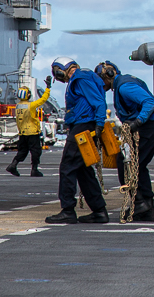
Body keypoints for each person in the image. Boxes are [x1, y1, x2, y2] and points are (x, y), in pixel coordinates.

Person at [96, 61, 154, 223]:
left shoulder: (124, 87)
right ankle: (147, 208)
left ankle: (140, 203)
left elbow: (150, 103)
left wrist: (138, 122)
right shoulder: (125, 82)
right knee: (138, 164)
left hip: (151, 125)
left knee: (126, 163)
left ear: (107, 76)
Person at [44, 57, 109, 225]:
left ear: (60, 70)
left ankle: (67, 210)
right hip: (84, 125)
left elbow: (99, 103)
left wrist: (100, 124)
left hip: (83, 126)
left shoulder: (80, 79)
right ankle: (99, 211)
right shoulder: (85, 77)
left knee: (67, 166)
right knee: (83, 170)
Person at [6, 76, 52, 177]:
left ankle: (13, 165)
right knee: (36, 152)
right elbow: (43, 99)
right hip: (32, 133)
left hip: (22, 133)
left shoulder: (17, 106)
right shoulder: (31, 106)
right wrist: (48, 87)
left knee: (22, 151)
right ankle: (34, 169)